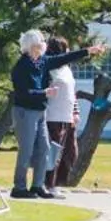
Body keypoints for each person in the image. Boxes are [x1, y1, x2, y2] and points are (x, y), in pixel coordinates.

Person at [9, 30, 104, 200]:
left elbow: (63, 58)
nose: (45, 43)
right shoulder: (22, 66)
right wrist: (43, 92)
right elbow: (22, 93)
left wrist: (88, 51)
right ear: (33, 45)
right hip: (25, 111)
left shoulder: (42, 61)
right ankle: (19, 187)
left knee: (45, 148)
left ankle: (38, 185)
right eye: (42, 41)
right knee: (27, 149)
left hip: (40, 112)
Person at [43, 35, 81, 192]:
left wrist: (75, 111)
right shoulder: (48, 68)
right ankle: (48, 185)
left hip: (67, 116)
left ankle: (58, 183)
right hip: (53, 116)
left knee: (70, 153)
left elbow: (72, 93)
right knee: (54, 153)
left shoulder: (67, 69)